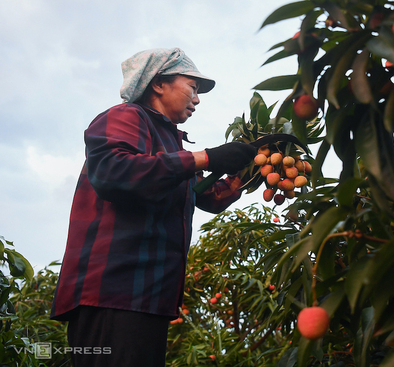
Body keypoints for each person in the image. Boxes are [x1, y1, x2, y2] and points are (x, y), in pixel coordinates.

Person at [50, 48, 256, 366]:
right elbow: (114, 173)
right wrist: (206, 157)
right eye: (192, 86)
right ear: (159, 83)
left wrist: (231, 186)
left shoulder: (172, 140)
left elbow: (196, 191)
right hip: (111, 293)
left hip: (150, 297)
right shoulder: (125, 117)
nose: (197, 99)